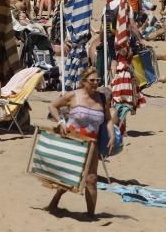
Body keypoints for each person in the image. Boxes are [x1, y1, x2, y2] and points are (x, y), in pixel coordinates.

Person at [47, 67, 115, 218]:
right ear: (83, 82)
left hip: (92, 144)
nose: (95, 83)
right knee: (68, 176)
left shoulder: (102, 98)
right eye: (92, 81)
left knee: (92, 179)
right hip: (73, 141)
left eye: (97, 80)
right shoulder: (73, 95)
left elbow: (108, 119)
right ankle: (55, 201)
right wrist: (61, 122)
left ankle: (91, 214)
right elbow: (52, 106)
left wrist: (112, 136)